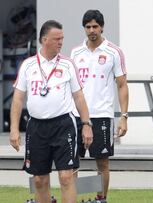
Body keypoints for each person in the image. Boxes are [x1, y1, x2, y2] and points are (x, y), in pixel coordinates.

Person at [10, 20, 93, 203]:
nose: (61, 42)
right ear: (44, 39)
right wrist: (14, 129)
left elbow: (79, 97)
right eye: (57, 39)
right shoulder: (28, 65)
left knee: (66, 177)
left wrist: (86, 124)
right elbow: (17, 99)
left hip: (63, 125)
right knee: (39, 180)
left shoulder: (67, 64)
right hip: (37, 127)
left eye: (62, 38)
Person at [71, 10, 129, 202]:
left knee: (102, 163)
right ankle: (73, 198)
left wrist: (124, 116)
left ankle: (100, 199)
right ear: (84, 29)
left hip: (102, 115)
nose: (92, 30)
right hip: (76, 115)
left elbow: (122, 85)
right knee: (72, 164)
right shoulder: (75, 52)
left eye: (95, 26)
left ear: (102, 27)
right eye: (88, 27)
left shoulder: (114, 51)